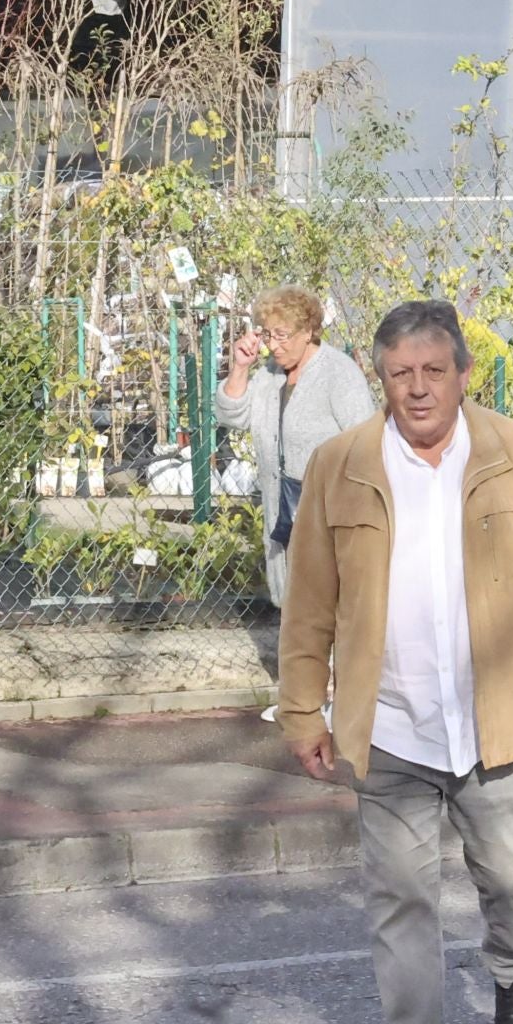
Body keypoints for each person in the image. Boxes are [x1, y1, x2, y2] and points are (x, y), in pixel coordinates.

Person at [278, 300, 513, 1024]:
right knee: (400, 894)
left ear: (464, 373)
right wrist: (301, 709)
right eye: (401, 374)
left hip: (492, 716)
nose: (419, 389)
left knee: (512, 875)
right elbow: (310, 602)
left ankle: (512, 969)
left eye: (434, 371)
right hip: (388, 723)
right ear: (381, 378)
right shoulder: (340, 463)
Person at [217, 286, 375, 722]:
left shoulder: (338, 374)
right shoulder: (268, 375)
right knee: (294, 604)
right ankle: (304, 701)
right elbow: (232, 415)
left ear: (310, 331)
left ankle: (348, 705)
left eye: (283, 334)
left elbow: (367, 442)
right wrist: (240, 368)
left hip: (331, 507)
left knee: (338, 608)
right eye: (268, 334)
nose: (274, 344)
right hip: (282, 502)